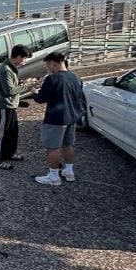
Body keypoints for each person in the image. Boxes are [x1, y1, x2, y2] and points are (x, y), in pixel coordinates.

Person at [32, 52, 86, 186]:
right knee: (67, 145)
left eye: (48, 65)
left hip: (55, 118)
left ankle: (54, 176)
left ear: (54, 63)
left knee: (53, 148)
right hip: (72, 117)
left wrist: (34, 93)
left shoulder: (52, 79)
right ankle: (69, 172)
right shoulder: (76, 78)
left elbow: (41, 99)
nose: (48, 68)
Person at [0, 45, 32, 170]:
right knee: (2, 133)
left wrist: (23, 83)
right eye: (24, 59)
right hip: (4, 106)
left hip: (11, 105)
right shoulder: (6, 70)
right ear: (18, 57)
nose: (24, 62)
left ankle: (9, 154)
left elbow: (13, 85)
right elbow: (10, 90)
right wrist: (27, 86)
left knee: (12, 132)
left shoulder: (11, 68)